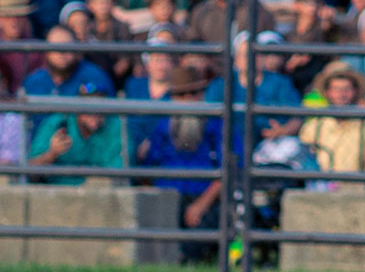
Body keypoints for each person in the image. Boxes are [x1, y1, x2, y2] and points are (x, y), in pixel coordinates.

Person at [136, 66, 225, 252]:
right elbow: (148, 170)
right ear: (173, 97)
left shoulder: (217, 125)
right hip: (168, 196)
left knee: (196, 243)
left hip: (204, 197)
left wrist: (201, 205)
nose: (188, 99)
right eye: (181, 94)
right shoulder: (162, 127)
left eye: (194, 93)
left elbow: (229, 170)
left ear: (202, 94)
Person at [27, 84, 127, 184]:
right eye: (89, 107)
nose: (95, 113)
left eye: (100, 108)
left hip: (99, 190)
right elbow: (30, 171)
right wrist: (52, 153)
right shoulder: (57, 122)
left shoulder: (115, 126)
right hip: (57, 190)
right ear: (77, 107)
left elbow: (120, 173)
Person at [301, 64, 365, 174]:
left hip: (357, 184)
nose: (341, 95)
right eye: (336, 89)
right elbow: (304, 161)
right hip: (321, 183)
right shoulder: (313, 127)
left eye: (347, 89)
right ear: (327, 92)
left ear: (355, 92)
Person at [24, 25, 117, 98]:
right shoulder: (34, 81)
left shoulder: (95, 77)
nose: (61, 53)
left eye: (67, 47)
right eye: (55, 47)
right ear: (47, 52)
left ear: (76, 51)